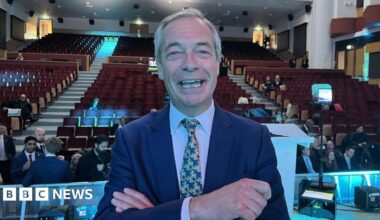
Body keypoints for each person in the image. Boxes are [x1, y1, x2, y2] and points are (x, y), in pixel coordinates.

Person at [95, 8, 288, 220]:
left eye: (202, 51)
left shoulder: (255, 138)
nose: (189, 64)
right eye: (175, 53)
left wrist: (152, 214)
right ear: (159, 66)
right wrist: (197, 209)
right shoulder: (131, 139)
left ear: (217, 63)